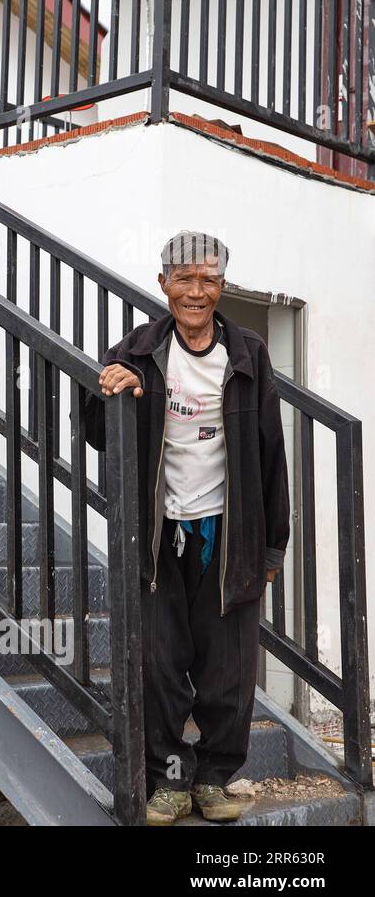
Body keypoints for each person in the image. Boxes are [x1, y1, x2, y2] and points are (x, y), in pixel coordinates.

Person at [84, 231, 289, 826]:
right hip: (157, 537)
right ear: (164, 285)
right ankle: (169, 780)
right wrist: (111, 391)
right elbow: (98, 432)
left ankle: (215, 780)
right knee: (161, 664)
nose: (197, 292)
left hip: (230, 535)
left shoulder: (248, 352)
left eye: (209, 280)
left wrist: (273, 544)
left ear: (221, 288)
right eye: (185, 279)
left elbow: (271, 449)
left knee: (228, 668)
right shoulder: (138, 349)